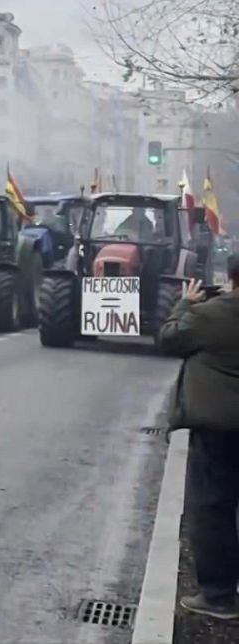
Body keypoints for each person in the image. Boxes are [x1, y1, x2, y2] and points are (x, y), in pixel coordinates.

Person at [158, 255, 239, 620]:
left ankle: (219, 596)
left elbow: (170, 338)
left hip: (219, 429)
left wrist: (185, 303)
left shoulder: (212, 314)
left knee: (213, 510)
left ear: (232, 277)